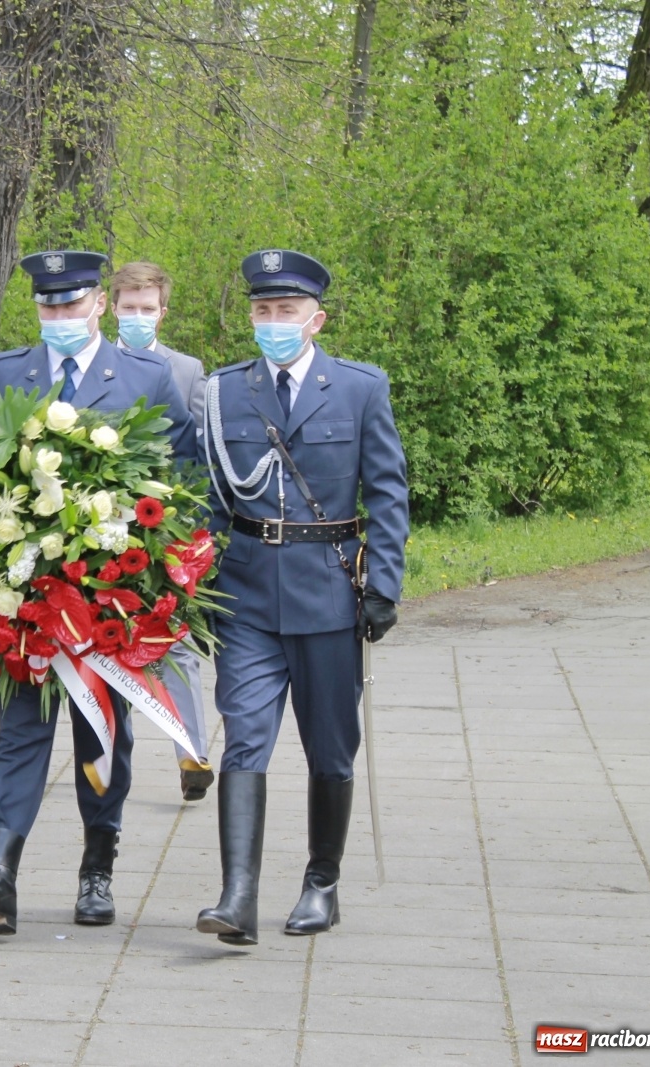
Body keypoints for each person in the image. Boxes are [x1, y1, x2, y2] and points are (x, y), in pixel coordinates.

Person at [0, 250, 201, 934]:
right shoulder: (6, 372)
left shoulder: (147, 374)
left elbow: (184, 473)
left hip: (108, 597)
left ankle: (97, 866)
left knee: (102, 737)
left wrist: (164, 565)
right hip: (27, 596)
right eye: (47, 307)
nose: (59, 317)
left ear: (97, 303)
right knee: (20, 733)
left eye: (72, 304)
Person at [195, 249, 408, 946]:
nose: (273, 322)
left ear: (316, 319)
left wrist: (383, 584)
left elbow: (387, 491)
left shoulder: (358, 388)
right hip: (248, 589)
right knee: (244, 738)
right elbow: (206, 501)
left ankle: (322, 882)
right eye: (263, 311)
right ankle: (237, 895)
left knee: (330, 746)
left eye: (287, 312)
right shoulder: (225, 391)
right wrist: (190, 583)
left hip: (327, 590)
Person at [110, 260, 215, 803]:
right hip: (102, 527)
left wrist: (188, 522)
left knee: (175, 642)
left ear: (163, 312)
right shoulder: (91, 365)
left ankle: (191, 752)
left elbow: (196, 452)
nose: (137, 316)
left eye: (147, 309)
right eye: (128, 308)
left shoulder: (187, 370)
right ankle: (106, 759)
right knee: (104, 642)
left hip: (164, 527)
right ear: (111, 308)